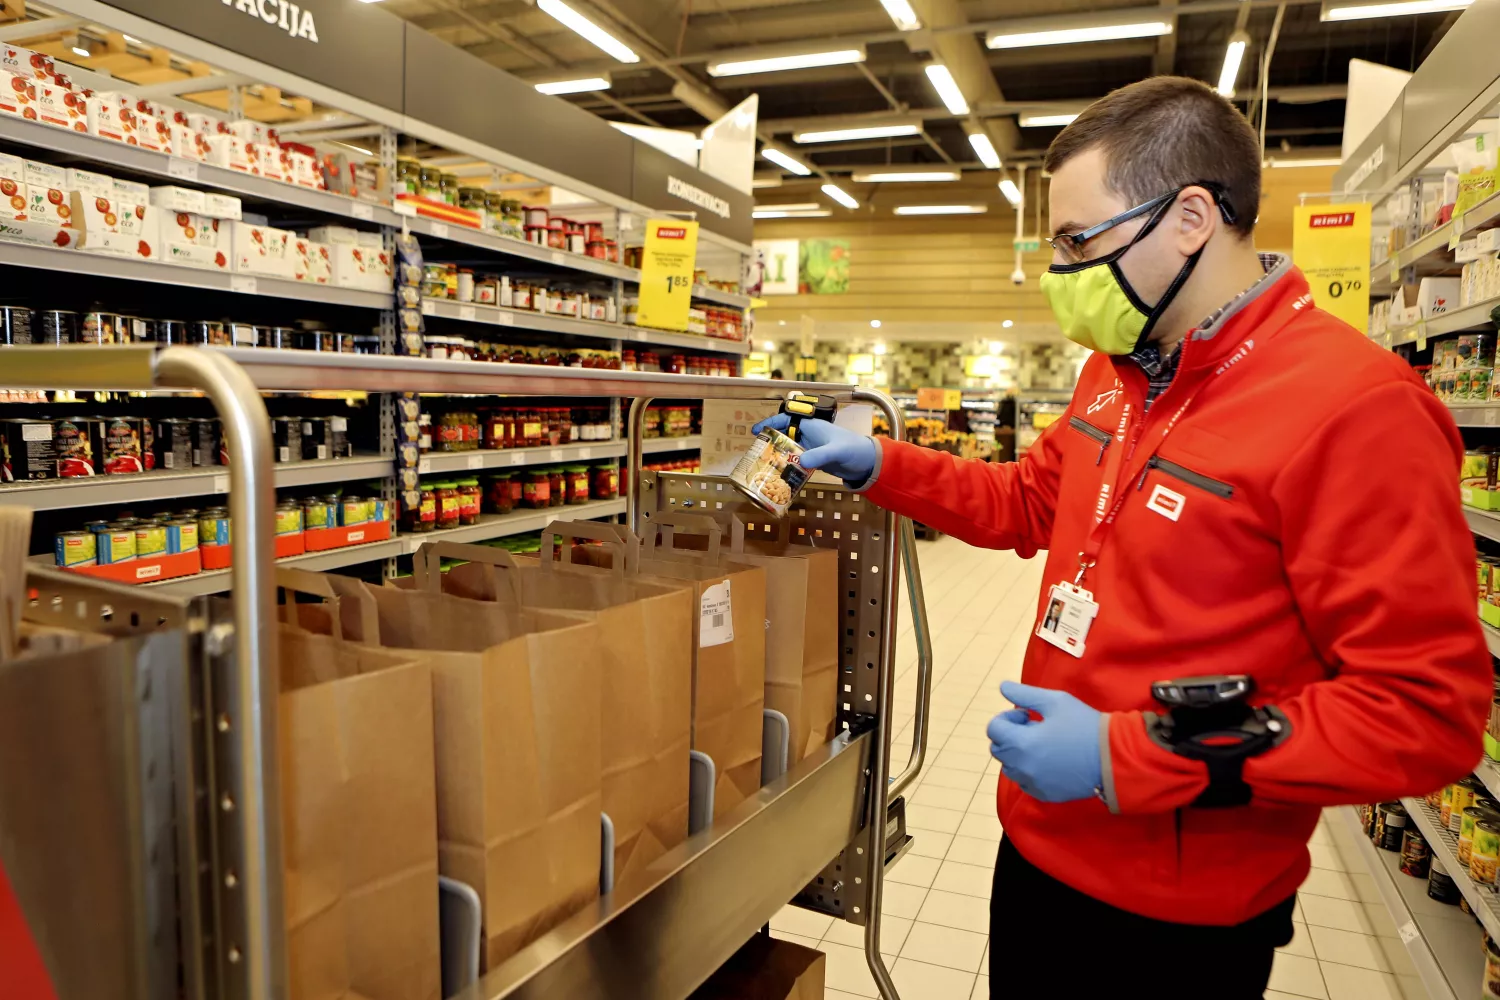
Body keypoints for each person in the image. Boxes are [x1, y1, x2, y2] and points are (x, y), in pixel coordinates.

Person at [754, 76, 1490, 996]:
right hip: (1039, 844)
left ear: (1190, 218)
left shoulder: (1357, 408)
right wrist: (879, 464)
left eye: (1078, 241)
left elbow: (1423, 714)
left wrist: (1127, 754)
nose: (1061, 274)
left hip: (1180, 914)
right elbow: (1027, 500)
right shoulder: (1117, 373)